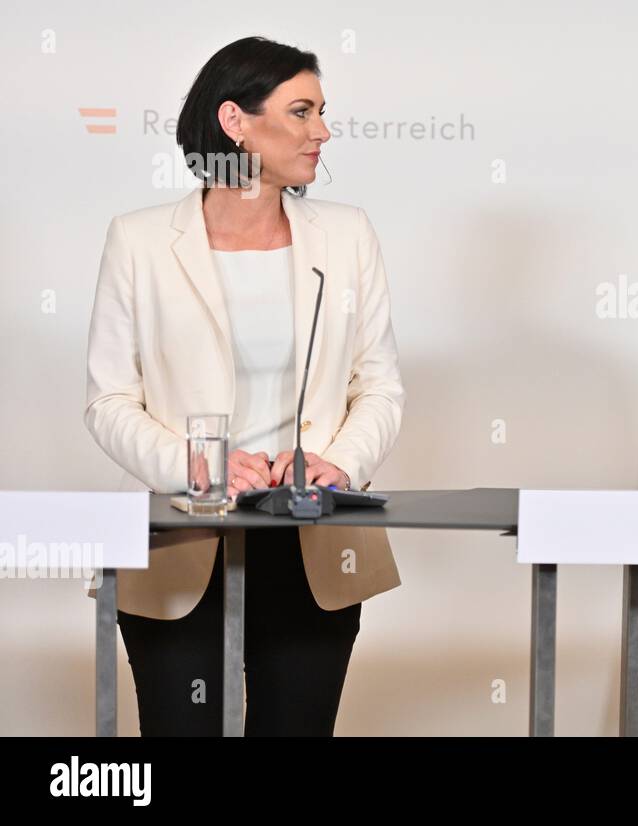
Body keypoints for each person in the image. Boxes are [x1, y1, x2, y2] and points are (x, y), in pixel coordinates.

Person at [84, 36, 405, 735]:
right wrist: (192, 465)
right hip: (180, 543)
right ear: (235, 121)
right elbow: (109, 400)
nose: (322, 131)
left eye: (322, 112)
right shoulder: (138, 241)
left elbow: (378, 385)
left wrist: (338, 464)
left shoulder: (348, 236)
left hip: (314, 541)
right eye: (301, 111)